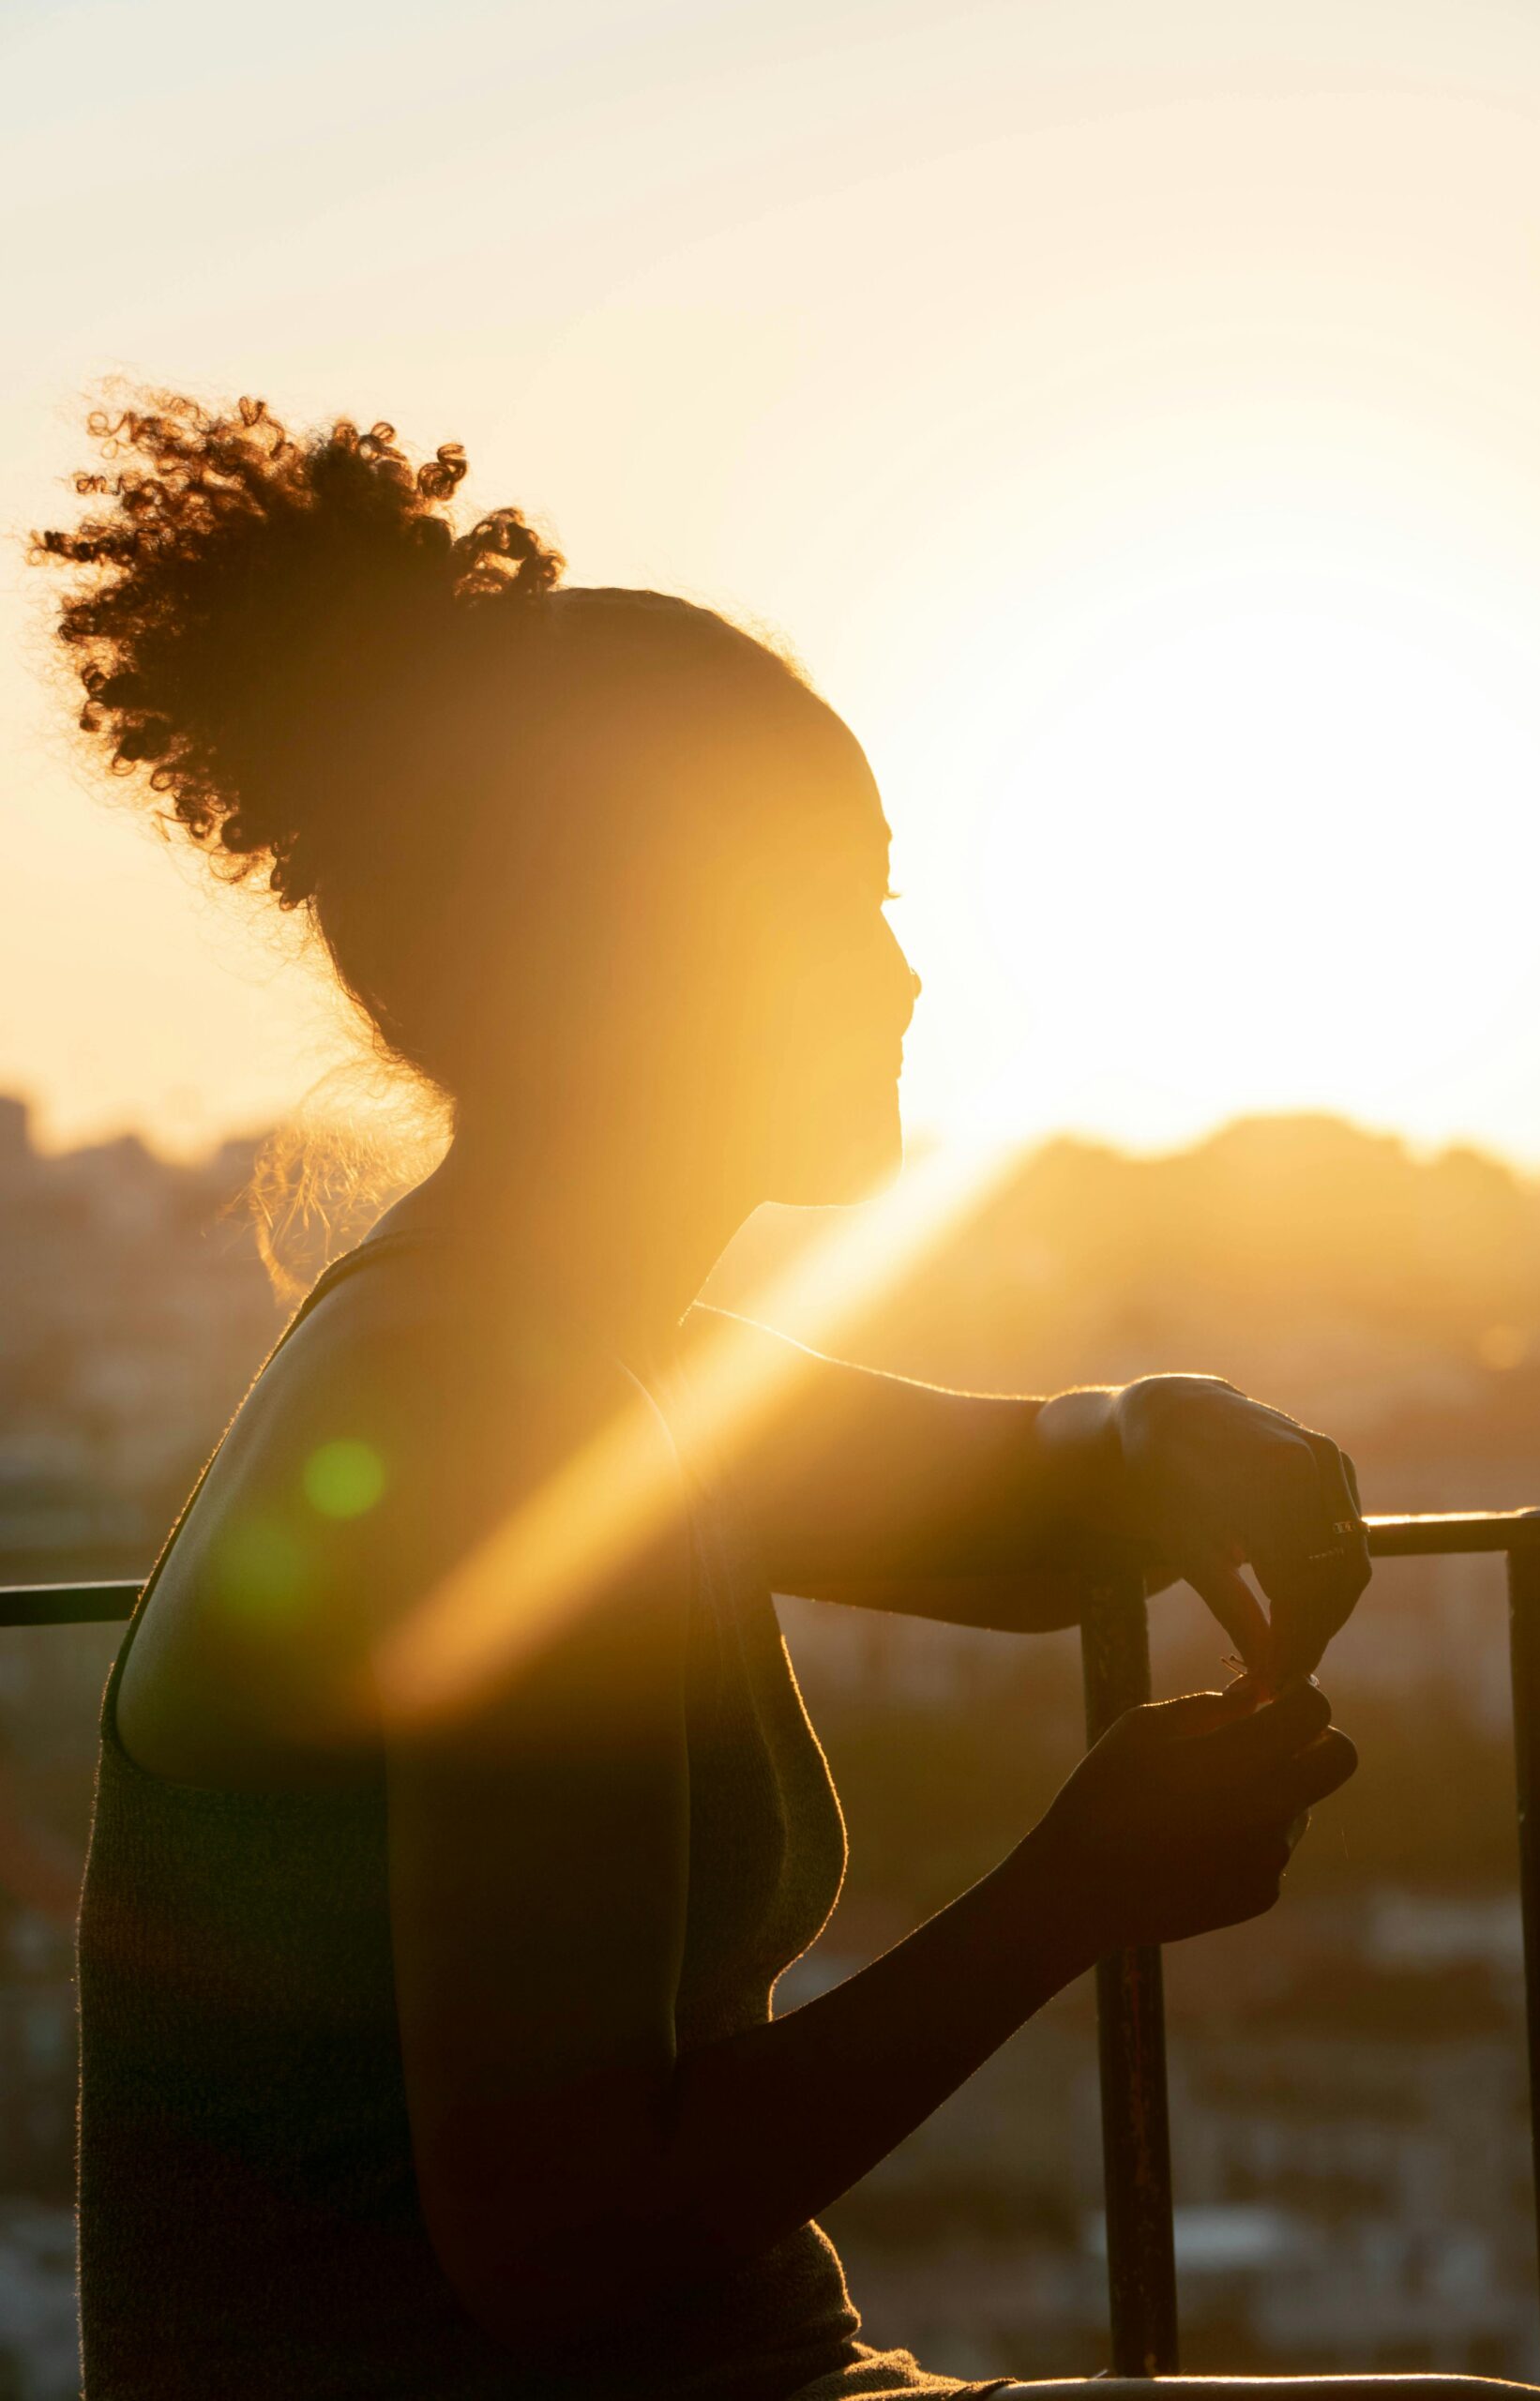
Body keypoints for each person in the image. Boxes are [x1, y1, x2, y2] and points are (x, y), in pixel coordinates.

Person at [38, 394, 1390, 2401]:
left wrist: (1150, 1425)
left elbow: (998, 1500)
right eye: (833, 903)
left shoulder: (532, 1343)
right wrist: (1065, 1896)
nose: (901, 973)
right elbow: (564, 2238)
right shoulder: (489, 1415)